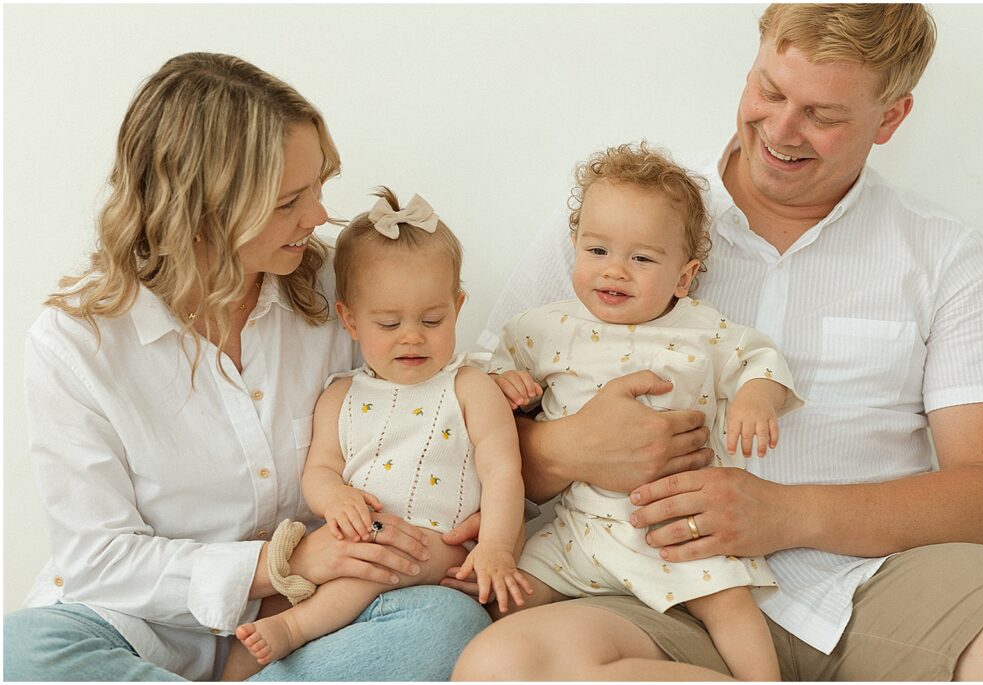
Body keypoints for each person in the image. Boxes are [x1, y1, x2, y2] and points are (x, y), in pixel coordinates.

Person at [452, 4, 983, 681]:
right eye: (770, 90)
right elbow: (467, 414)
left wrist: (787, 513)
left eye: (824, 115)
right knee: (504, 667)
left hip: (880, 581)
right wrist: (566, 447)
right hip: (649, 583)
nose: (781, 129)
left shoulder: (944, 253)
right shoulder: (623, 215)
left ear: (891, 118)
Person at [2, 52, 490, 682]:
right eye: (290, 200)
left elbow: (435, 405)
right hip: (137, 629)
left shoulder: (342, 294)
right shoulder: (74, 344)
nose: (317, 217)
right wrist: (287, 560)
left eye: (318, 187)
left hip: (316, 621)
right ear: (204, 205)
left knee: (446, 626)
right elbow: (97, 561)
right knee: (19, 655)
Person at [486, 142, 803, 680]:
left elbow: (760, 360)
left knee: (730, 604)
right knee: (503, 601)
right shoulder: (542, 328)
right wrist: (504, 382)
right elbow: (483, 380)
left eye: (642, 258)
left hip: (681, 527)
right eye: (597, 251)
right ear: (575, 248)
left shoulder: (704, 329)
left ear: (684, 275)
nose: (615, 272)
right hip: (579, 529)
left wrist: (755, 398)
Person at [231, 188, 530, 672]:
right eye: (388, 323)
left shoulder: (471, 386)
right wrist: (335, 500)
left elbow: (502, 471)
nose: (412, 336)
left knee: (384, 560)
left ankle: (295, 630)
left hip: (436, 552)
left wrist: (496, 547)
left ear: (457, 307)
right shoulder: (341, 394)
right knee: (267, 607)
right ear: (349, 319)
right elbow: (321, 469)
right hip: (354, 542)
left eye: (432, 320)